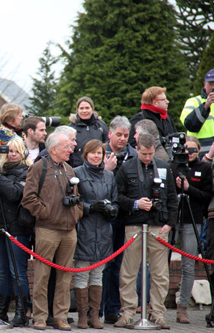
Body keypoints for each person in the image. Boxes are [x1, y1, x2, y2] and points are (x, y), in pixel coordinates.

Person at [114, 133, 178, 329]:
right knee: (129, 272)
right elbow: (118, 197)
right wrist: (135, 203)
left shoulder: (165, 167)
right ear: (138, 149)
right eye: (144, 154)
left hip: (159, 226)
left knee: (160, 273)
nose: (148, 158)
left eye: (150, 154)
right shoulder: (126, 167)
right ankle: (127, 313)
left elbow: (173, 199)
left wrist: (170, 224)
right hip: (134, 225)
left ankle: (158, 313)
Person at [21, 132, 83, 331]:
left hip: (69, 230)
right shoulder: (39, 168)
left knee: (65, 278)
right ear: (54, 149)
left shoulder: (70, 170)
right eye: (66, 147)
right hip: (47, 229)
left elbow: (78, 197)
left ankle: (61, 316)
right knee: (41, 275)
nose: (70, 149)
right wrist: (45, 214)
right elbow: (28, 198)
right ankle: (39, 316)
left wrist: (76, 213)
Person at [0, 137, 32, 327]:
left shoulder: (27, 172)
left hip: (18, 229)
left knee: (17, 272)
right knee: (2, 272)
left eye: (17, 151)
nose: (12, 154)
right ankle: (1, 313)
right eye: (10, 150)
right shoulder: (0, 171)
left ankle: (22, 314)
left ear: (23, 154)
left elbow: (13, 194)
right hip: (0, 227)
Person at [73, 139, 118, 329]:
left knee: (98, 274)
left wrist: (112, 210)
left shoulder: (109, 176)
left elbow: (115, 201)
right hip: (85, 228)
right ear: (86, 155)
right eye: (93, 153)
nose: (96, 156)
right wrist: (90, 208)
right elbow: (72, 201)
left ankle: (94, 315)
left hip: (104, 230)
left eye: (99, 153)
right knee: (82, 274)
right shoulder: (76, 173)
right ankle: (82, 316)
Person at [170, 136, 212, 323]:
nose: (189, 154)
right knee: (160, 264)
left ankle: (183, 307)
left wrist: (188, 188)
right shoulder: (172, 166)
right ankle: (154, 308)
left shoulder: (204, 168)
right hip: (171, 220)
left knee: (188, 265)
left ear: (198, 151)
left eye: (193, 150)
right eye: (186, 150)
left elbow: (206, 196)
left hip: (192, 220)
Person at [99, 116, 136, 324]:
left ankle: (113, 309)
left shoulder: (134, 156)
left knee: (118, 265)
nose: (122, 139)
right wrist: (106, 170)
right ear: (110, 134)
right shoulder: (99, 153)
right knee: (103, 264)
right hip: (104, 217)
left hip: (125, 217)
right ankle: (97, 309)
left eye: (126, 135)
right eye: (119, 134)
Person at [68, 96, 108, 167]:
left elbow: (107, 144)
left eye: (87, 108)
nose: (84, 111)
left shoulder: (101, 125)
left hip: (97, 168)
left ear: (92, 109)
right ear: (77, 110)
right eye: (81, 108)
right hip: (77, 167)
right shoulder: (71, 128)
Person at [180, 69, 214, 147]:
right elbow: (189, 124)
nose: (213, 87)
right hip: (199, 147)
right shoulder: (193, 102)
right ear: (205, 84)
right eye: (210, 84)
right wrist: (205, 106)